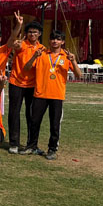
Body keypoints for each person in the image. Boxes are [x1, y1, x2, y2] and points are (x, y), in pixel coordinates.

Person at [22, 31, 82, 160]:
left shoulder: (66, 56)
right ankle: (31, 146)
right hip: (40, 94)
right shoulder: (41, 53)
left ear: (62, 42)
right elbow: (26, 68)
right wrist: (34, 57)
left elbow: (79, 75)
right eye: (53, 39)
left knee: (55, 124)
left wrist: (73, 61)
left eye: (58, 39)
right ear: (49, 41)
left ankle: (52, 149)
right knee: (34, 122)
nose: (55, 41)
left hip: (57, 95)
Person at [8, 20, 44, 155]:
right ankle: (14, 143)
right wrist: (16, 40)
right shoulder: (21, 44)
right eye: (29, 32)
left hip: (33, 85)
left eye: (35, 32)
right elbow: (13, 44)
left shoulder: (42, 48)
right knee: (14, 113)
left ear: (39, 34)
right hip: (16, 82)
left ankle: (31, 143)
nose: (32, 34)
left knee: (32, 115)